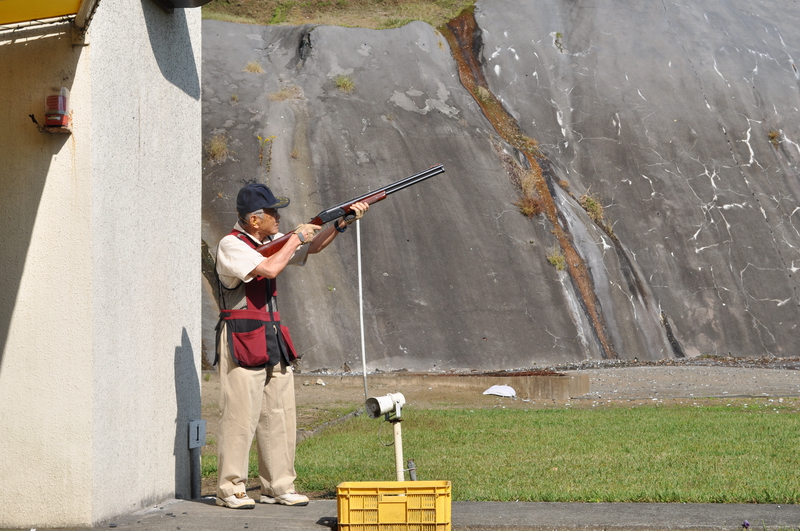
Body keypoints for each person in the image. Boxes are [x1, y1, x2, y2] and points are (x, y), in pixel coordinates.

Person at [214, 182, 369, 509]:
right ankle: (230, 489)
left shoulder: (270, 242)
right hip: (242, 335)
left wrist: (340, 224)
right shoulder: (231, 245)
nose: (279, 216)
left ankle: (278, 486)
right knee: (240, 417)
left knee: (280, 415)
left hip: (271, 336)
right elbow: (270, 268)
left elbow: (310, 249)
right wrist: (296, 238)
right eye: (273, 212)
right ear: (254, 219)